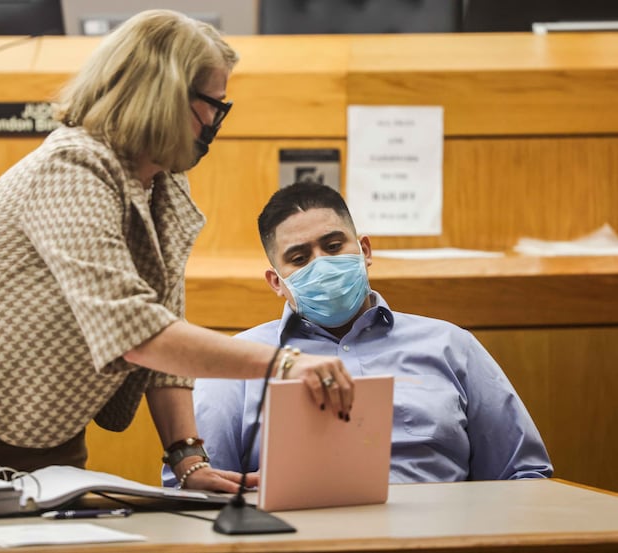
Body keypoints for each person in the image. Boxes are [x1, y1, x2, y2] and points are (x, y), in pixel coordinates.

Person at [0, 10, 356, 494]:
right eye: (212, 104)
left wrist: (188, 457)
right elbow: (134, 330)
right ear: (164, 97)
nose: (217, 121)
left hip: (40, 421)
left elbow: (162, 336)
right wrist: (283, 364)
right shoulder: (72, 169)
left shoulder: (164, 187)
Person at [163, 182, 552, 487]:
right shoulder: (238, 361)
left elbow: (523, 475)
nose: (323, 264)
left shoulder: (451, 346)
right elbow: (197, 493)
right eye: (299, 258)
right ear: (277, 282)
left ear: (364, 250)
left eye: (334, 246)